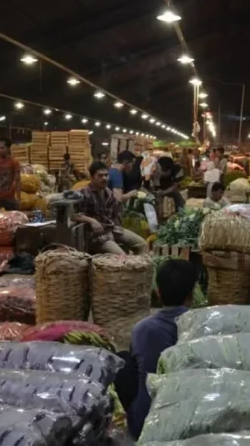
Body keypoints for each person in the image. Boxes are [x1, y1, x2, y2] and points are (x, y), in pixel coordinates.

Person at [127, 259, 197, 438]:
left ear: (157, 293)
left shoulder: (140, 329)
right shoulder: (200, 328)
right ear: (191, 295)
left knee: (126, 362)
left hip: (142, 424)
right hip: (187, 424)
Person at [75, 161, 148, 254]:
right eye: (100, 176)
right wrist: (92, 221)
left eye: (106, 175)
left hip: (112, 229)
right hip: (97, 236)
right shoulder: (84, 193)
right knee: (122, 257)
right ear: (92, 177)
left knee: (142, 244)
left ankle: (140, 267)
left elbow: (115, 215)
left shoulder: (108, 192)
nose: (104, 178)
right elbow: (73, 215)